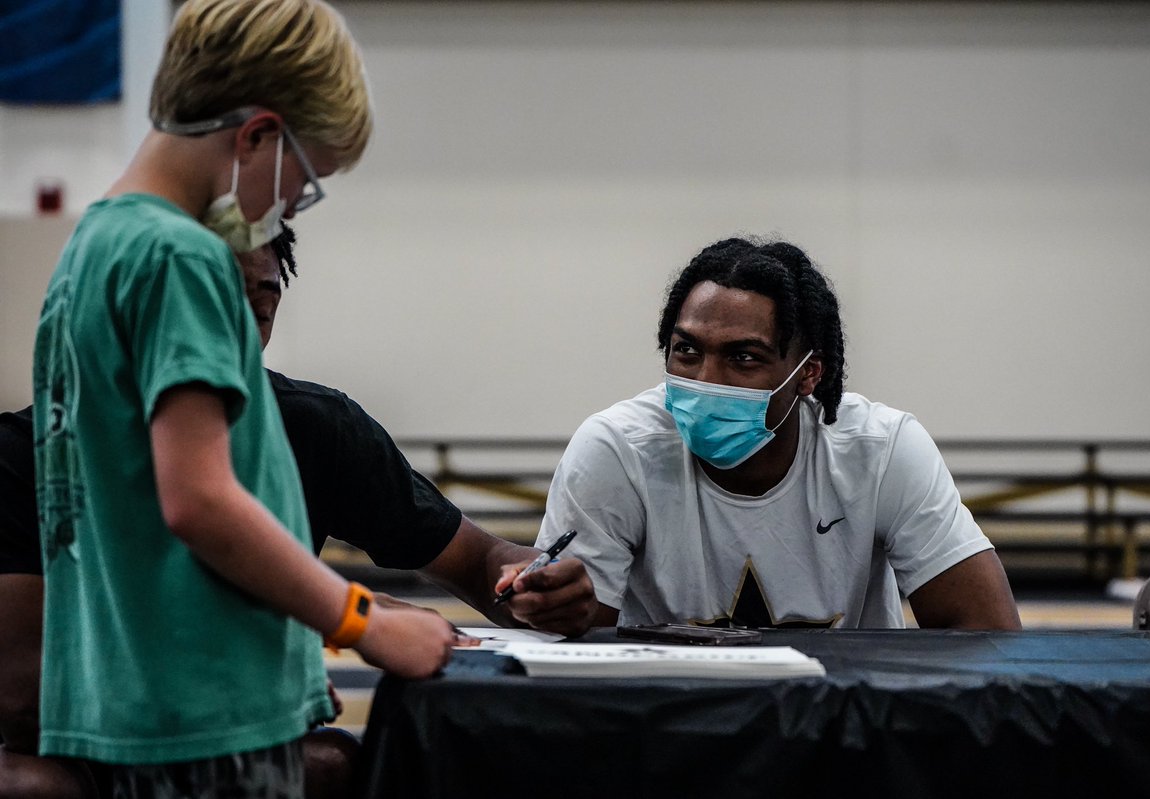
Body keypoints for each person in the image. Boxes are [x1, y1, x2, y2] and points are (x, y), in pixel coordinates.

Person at [1, 227, 596, 798]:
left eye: (262, 303)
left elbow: (477, 561)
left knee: (334, 763)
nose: (243, 322)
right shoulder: (31, 450)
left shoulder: (313, 428)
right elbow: (27, 700)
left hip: (235, 738)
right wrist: (332, 622)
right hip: (85, 751)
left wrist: (533, 582)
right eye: (213, 296)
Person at [29, 2, 446, 796]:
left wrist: (310, 600)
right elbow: (201, 502)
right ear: (256, 136)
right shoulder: (181, 255)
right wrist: (363, 621)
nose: (283, 212)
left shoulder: (95, 244)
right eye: (301, 183)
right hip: (207, 711)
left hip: (126, 700)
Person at [537, 236, 1022, 631]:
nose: (705, 381)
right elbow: (571, 643)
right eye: (687, 351)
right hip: (672, 729)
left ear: (808, 375)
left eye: (743, 357)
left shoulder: (881, 450)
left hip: (841, 725)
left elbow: (985, 633)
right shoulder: (617, 449)